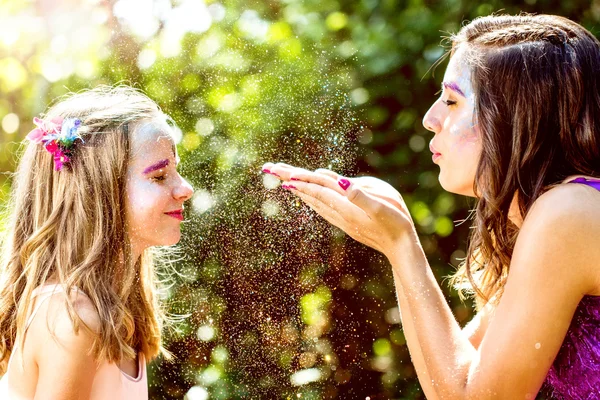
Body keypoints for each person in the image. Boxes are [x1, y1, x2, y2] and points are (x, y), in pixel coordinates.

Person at [263, 14, 600, 399]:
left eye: (452, 100)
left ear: (514, 116)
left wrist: (402, 245)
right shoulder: (556, 214)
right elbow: (449, 385)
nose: (430, 118)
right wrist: (396, 238)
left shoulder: (569, 213)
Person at [0, 86, 194, 398]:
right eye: (159, 176)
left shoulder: (116, 309)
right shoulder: (72, 318)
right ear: (98, 194)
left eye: (176, 170)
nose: (185, 188)